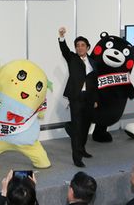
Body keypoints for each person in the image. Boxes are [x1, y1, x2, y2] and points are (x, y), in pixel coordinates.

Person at [58, 27, 99, 167]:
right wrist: (62, 37)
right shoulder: (72, 58)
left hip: (89, 99)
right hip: (76, 98)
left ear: (87, 47)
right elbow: (64, 49)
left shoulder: (93, 62)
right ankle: (77, 158)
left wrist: (95, 100)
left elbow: (95, 82)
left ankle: (82, 149)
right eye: (77, 45)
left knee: (86, 127)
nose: (80, 48)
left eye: (82, 45)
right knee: (76, 129)